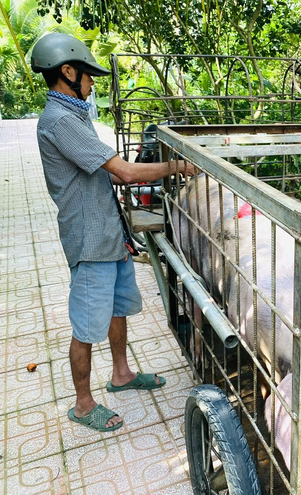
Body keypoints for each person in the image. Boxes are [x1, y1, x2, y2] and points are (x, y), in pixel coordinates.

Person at [31, 33, 196, 432]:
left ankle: (121, 374)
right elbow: (122, 171)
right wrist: (178, 167)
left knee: (118, 308)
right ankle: (84, 404)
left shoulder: (77, 114)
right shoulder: (60, 121)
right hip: (90, 241)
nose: (92, 84)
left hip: (110, 232)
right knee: (86, 326)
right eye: (88, 76)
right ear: (67, 72)